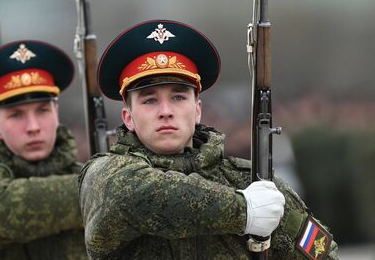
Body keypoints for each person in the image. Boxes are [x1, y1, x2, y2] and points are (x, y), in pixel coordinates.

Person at [79, 19, 339, 259]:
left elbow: (322, 255)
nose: (166, 111)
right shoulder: (106, 177)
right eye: (149, 100)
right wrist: (245, 211)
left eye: (179, 97)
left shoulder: (249, 183)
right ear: (128, 117)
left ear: (198, 110)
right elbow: (133, 196)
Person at [0, 41, 87, 259]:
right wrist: (101, 191)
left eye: (42, 111)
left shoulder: (86, 174)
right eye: (16, 115)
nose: (33, 127)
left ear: (56, 113)